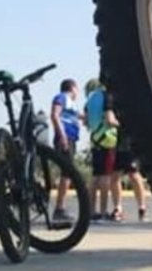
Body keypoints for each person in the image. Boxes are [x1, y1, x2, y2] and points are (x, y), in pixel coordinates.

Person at [109, 91, 151, 222]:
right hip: (120, 143)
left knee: (133, 175)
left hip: (130, 143)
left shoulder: (135, 101)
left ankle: (142, 208)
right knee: (116, 176)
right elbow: (111, 120)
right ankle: (118, 208)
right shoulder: (112, 100)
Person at [83, 77, 120, 221]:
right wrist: (120, 124)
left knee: (95, 176)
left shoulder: (91, 98)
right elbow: (110, 120)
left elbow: (86, 120)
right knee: (105, 177)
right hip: (107, 139)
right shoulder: (107, 97)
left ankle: (92, 211)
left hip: (95, 138)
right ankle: (103, 212)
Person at [50, 78, 82, 224]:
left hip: (71, 138)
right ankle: (59, 208)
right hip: (65, 137)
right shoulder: (62, 97)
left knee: (68, 173)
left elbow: (79, 115)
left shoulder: (72, 104)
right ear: (72, 88)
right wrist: (61, 135)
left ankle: (61, 207)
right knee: (67, 172)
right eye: (77, 89)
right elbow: (55, 115)